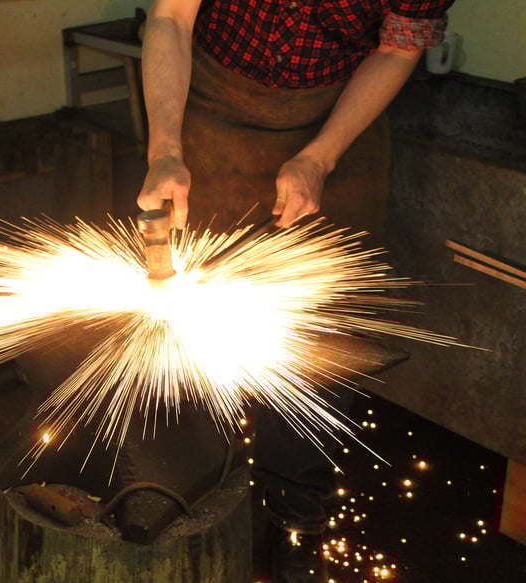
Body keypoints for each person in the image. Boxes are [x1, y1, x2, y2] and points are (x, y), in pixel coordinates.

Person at [136, 1, 456, 581]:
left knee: (319, 335)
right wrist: (165, 151)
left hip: (340, 113)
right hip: (209, 107)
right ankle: (188, 493)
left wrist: (319, 157)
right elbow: (170, 18)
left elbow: (398, 48)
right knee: (190, 323)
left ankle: (297, 515)